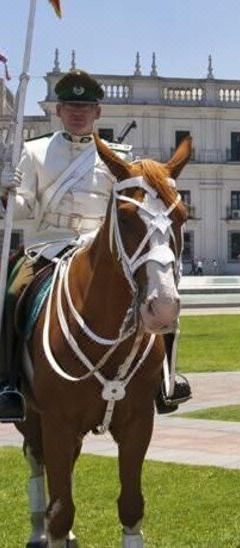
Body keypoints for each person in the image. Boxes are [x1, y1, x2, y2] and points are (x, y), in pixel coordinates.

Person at [0, 70, 191, 421]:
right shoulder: (34, 152)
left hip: (100, 248)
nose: (78, 113)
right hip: (48, 246)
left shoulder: (118, 156)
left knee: (160, 295)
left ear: (97, 113)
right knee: (12, 293)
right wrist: (6, 192)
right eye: (72, 106)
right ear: (58, 110)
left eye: (86, 107)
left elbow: (132, 208)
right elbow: (23, 211)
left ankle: (166, 378)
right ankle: (9, 383)